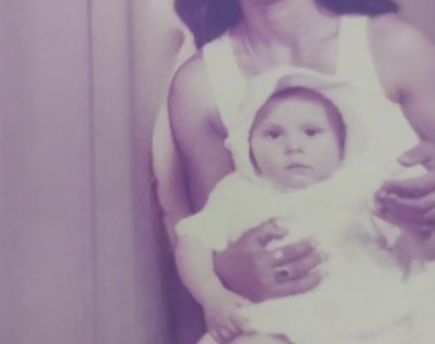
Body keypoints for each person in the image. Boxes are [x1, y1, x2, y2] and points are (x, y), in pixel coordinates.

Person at [156, 0, 435, 339]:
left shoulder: (394, 49)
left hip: (411, 300)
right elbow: (219, 224)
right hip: (297, 319)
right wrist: (230, 268)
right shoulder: (201, 86)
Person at [174, 68, 435, 344]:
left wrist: (408, 227)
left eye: (311, 132)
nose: (293, 146)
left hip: (369, 311)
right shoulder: (237, 192)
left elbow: (411, 250)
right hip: (282, 318)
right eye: (273, 134)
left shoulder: (362, 184)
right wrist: (211, 294)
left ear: (342, 142)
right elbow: (193, 240)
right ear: (247, 144)